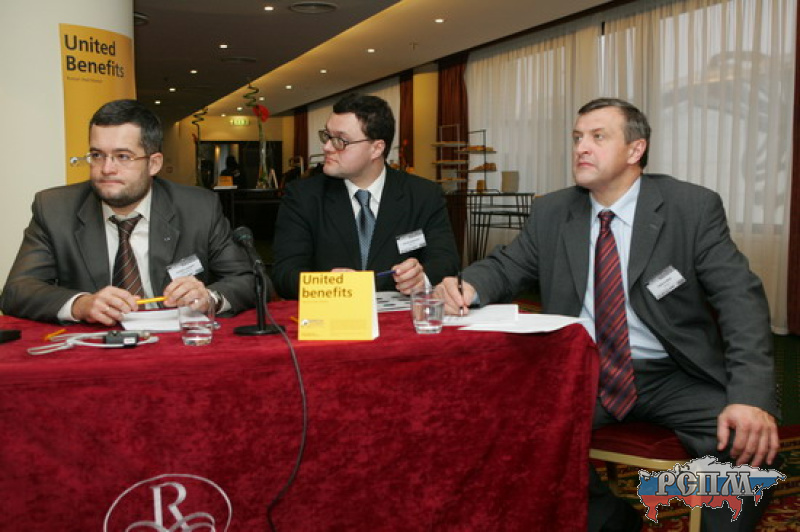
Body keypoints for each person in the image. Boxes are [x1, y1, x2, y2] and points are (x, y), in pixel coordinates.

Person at [435, 98, 780, 531]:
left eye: (598, 137)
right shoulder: (553, 211)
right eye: (577, 137)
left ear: (636, 149)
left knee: (748, 448)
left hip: (675, 373)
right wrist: (467, 285)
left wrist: (749, 397)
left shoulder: (690, 207)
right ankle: (614, 522)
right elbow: (507, 265)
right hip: (588, 369)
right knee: (510, 432)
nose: (581, 147)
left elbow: (740, 300)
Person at [0, 99, 256, 324]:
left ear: (154, 163)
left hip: (178, 345)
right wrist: (80, 304)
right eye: (97, 155)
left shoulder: (198, 208)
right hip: (93, 348)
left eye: (123, 156)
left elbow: (249, 280)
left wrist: (209, 297)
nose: (106, 168)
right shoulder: (54, 208)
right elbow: (17, 291)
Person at [272, 93, 460, 299]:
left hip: (401, 313)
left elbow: (446, 261)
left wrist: (420, 278)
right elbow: (284, 274)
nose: (327, 147)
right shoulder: (303, 197)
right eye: (327, 136)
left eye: (340, 140)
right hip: (332, 314)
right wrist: (328, 284)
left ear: (376, 148)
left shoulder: (423, 195)